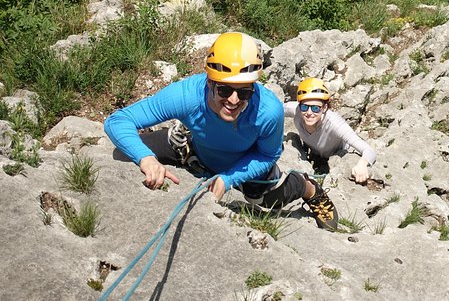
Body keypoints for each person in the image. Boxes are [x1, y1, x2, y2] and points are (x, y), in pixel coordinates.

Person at [104, 32, 338, 231]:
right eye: (225, 90)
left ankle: (308, 187)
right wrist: (146, 159)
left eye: (244, 92)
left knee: (268, 200)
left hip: (245, 160)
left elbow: (268, 155)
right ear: (209, 82)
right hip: (196, 147)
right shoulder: (186, 96)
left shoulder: (268, 111)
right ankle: (182, 143)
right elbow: (118, 121)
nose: (234, 100)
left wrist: (228, 179)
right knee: (126, 153)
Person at [284, 77, 377, 184]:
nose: (309, 112)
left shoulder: (335, 124)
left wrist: (362, 165)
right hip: (315, 155)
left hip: (338, 157)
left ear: (324, 108)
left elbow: (368, 150)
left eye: (315, 108)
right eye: (304, 107)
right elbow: (273, 109)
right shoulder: (295, 109)